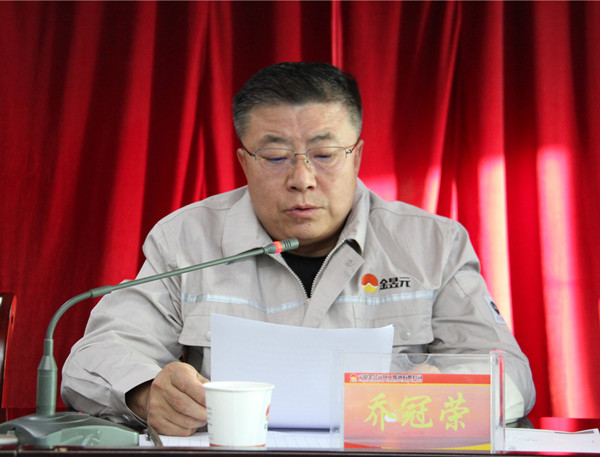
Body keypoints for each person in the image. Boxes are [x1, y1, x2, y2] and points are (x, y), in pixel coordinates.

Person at [62, 62, 536, 436]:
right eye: (275, 157)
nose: (302, 179)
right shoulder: (186, 240)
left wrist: (439, 393)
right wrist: (147, 393)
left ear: (357, 156)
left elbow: (509, 374)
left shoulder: (433, 244)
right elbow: (94, 357)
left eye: (325, 155)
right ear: (244, 161)